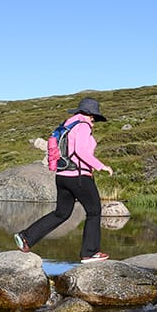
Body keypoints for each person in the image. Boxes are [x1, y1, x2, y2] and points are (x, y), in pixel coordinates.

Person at [14, 97, 114, 262]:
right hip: (79, 176)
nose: (94, 121)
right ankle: (90, 252)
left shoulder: (67, 124)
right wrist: (100, 166)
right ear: (89, 114)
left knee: (61, 213)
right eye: (93, 117)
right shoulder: (82, 126)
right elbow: (80, 150)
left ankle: (26, 237)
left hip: (62, 177)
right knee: (94, 211)